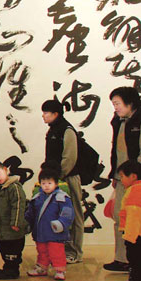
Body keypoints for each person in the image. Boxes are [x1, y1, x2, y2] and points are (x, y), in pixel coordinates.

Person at [41, 99, 84, 264]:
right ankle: (63, 250)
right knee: (60, 215)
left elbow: (69, 158)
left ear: (55, 114)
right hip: (56, 180)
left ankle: (75, 252)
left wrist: (58, 177)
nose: (43, 116)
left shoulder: (67, 130)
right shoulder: (53, 130)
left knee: (74, 215)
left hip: (69, 179)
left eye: (46, 113)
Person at [104, 87, 141, 272]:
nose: (115, 108)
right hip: (121, 178)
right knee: (119, 216)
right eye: (113, 104)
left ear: (130, 103)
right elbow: (117, 152)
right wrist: (116, 175)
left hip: (136, 179)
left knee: (135, 220)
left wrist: (135, 176)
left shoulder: (139, 121)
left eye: (117, 104)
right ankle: (122, 258)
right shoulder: (119, 121)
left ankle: (134, 260)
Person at [25, 168, 75, 281]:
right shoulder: (37, 198)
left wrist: (61, 223)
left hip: (55, 233)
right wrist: (26, 224)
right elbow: (30, 213)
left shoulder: (62, 197)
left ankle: (60, 270)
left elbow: (67, 213)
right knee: (42, 251)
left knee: (56, 252)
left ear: (56, 183)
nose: (46, 186)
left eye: (49, 183)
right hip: (40, 232)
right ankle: (42, 268)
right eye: (43, 183)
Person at [0, 160, 28, 280]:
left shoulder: (14, 187)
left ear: (5, 169)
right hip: (2, 228)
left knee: (13, 250)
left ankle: (12, 270)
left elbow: (19, 206)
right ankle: (8, 268)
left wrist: (16, 223)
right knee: (3, 248)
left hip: (13, 228)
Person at [117, 160, 141, 281]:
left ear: (133, 176)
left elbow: (134, 214)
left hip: (136, 235)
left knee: (135, 261)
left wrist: (130, 237)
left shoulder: (134, 190)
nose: (121, 180)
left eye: (122, 176)